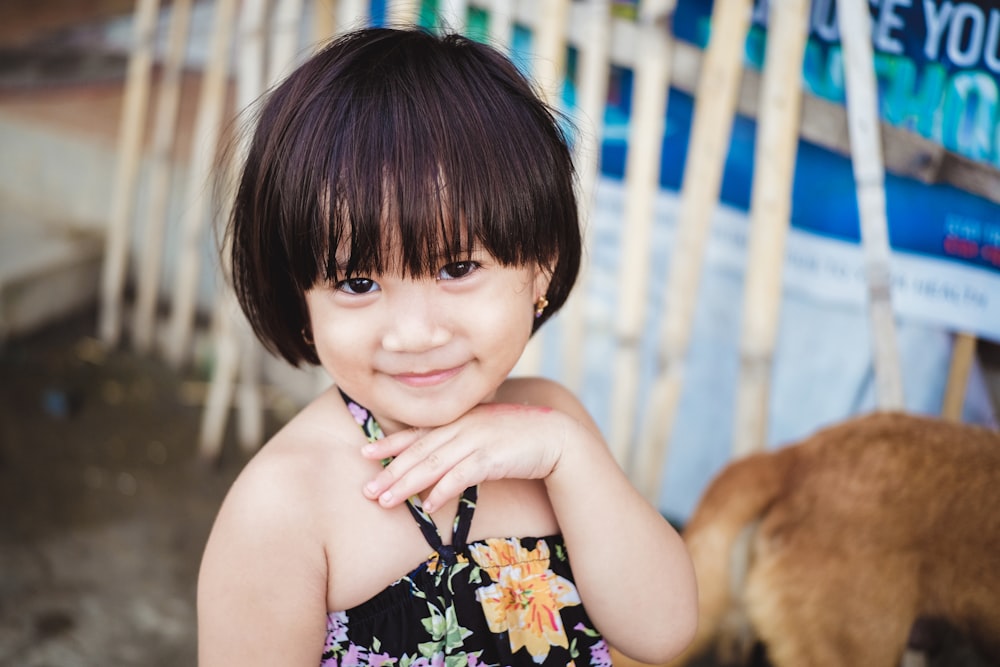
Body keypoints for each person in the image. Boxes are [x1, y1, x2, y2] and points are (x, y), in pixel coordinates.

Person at [197, 26, 697, 667]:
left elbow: (665, 631)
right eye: (357, 282)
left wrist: (570, 455)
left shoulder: (551, 428)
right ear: (300, 300)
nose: (415, 333)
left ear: (540, 267)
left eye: (457, 268)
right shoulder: (283, 505)